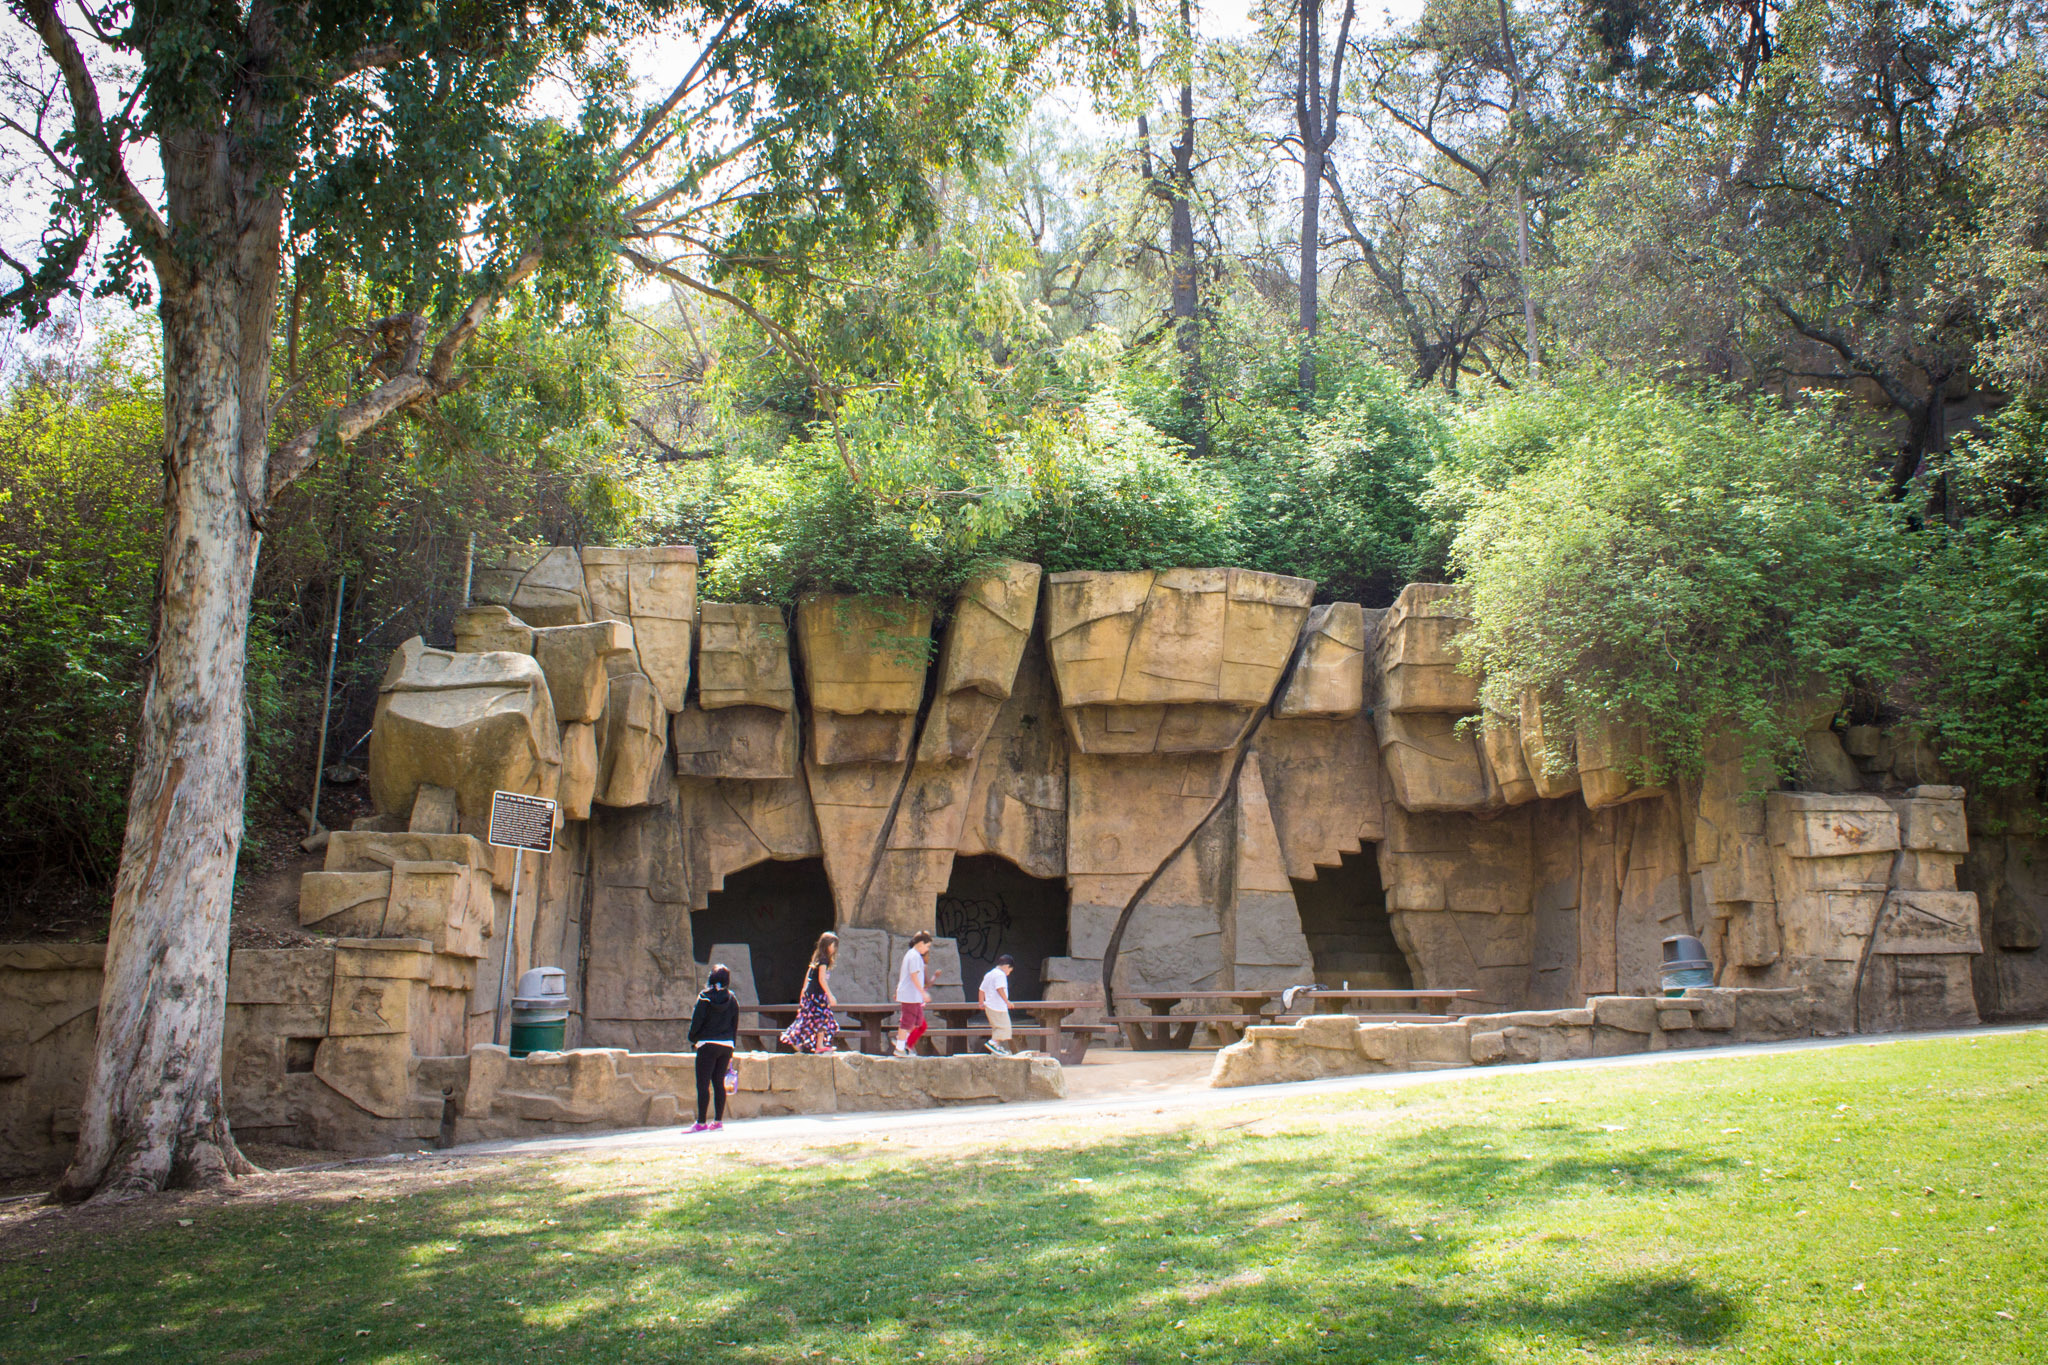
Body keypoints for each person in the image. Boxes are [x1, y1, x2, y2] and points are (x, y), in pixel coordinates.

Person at [686, 964, 740, 1132]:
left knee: (703, 1084)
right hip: (726, 1045)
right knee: (718, 1083)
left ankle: (701, 1122)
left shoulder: (704, 997)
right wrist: (731, 1047)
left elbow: (697, 1021)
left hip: (707, 1044)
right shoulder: (732, 999)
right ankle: (718, 1121)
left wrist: (693, 1039)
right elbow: (734, 1024)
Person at [780, 931, 841, 1054]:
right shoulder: (823, 961)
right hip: (817, 995)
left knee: (813, 1018)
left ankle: (818, 1044)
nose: (834, 949)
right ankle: (810, 1043)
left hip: (812, 994)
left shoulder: (817, 959)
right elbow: (821, 979)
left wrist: (803, 991)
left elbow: (809, 976)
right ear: (827, 945)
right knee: (821, 1017)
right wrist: (830, 995)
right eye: (833, 945)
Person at [892, 930, 934, 1057]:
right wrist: (923, 993)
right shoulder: (914, 956)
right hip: (910, 995)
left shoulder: (913, 955)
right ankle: (900, 1047)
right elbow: (914, 976)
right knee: (907, 1021)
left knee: (918, 1021)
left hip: (914, 996)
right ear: (921, 943)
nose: (927, 949)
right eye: (927, 946)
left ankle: (903, 1042)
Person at [979, 954, 1016, 1055]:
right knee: (1005, 1027)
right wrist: (1007, 1001)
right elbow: (999, 988)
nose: (1008, 974)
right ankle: (992, 1043)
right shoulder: (1000, 975)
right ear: (1006, 966)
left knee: (997, 1028)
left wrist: (981, 1002)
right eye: (1009, 971)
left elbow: (981, 989)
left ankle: (996, 1047)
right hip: (998, 1007)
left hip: (989, 1006)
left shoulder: (989, 974)